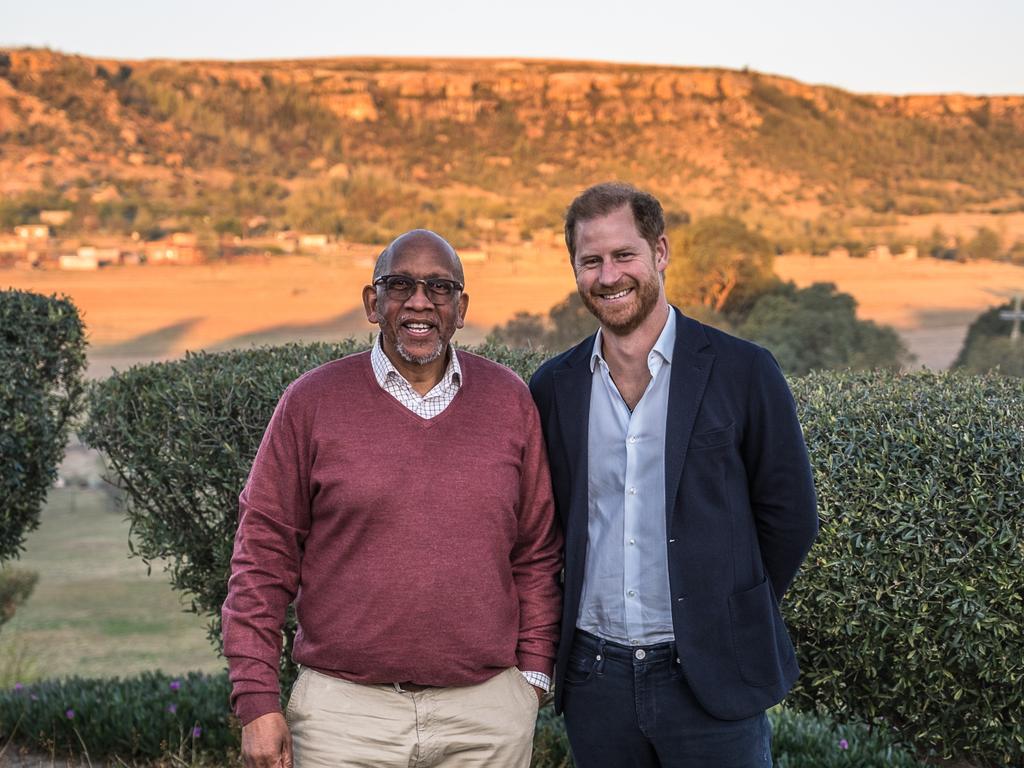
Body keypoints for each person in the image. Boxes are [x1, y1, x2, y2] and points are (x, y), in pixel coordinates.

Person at [223, 229, 562, 768]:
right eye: (399, 284)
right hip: (344, 717)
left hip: (485, 717)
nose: (420, 301)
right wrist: (257, 701)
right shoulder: (311, 403)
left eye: (440, 287)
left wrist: (534, 676)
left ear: (462, 307)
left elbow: (537, 551)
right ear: (371, 302)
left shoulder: (508, 402)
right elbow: (263, 556)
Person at [529, 183, 818, 768]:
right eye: (591, 261)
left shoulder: (744, 370)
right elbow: (544, 527)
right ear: (575, 270)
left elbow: (790, 518)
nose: (609, 276)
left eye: (624, 255)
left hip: (712, 675)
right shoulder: (554, 388)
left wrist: (724, 612)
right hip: (596, 679)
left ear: (660, 252)